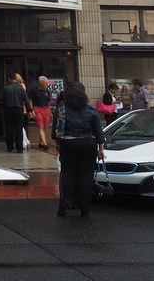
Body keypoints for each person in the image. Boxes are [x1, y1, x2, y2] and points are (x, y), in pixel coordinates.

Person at [56, 82, 105, 217]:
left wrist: (58, 143)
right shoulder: (90, 110)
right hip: (88, 143)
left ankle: (66, 205)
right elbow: (98, 131)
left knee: (67, 174)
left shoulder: (62, 109)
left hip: (69, 143)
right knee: (86, 176)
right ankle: (85, 208)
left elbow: (58, 131)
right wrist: (101, 147)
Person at [0, 71, 33, 153]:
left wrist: (1, 108)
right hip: (18, 109)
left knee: (9, 128)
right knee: (19, 128)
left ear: (9, 79)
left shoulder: (5, 88)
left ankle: (10, 147)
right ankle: (19, 148)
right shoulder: (20, 88)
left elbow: (0, 100)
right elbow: (26, 100)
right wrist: (29, 110)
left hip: (8, 109)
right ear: (15, 79)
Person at [29, 76, 52, 149]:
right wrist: (31, 110)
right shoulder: (33, 90)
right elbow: (30, 100)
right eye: (45, 82)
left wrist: (50, 111)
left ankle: (41, 142)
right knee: (40, 125)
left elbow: (48, 102)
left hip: (46, 108)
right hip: (37, 108)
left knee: (45, 126)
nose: (47, 83)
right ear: (40, 82)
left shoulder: (47, 91)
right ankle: (45, 143)